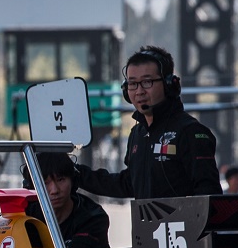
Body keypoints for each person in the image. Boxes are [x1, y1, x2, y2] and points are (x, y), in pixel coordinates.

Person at [75, 45, 220, 201]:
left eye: (147, 82)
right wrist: (74, 173)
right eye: (132, 84)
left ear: (170, 84)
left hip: (184, 225)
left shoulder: (191, 132)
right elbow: (128, 183)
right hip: (145, 226)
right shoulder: (137, 133)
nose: (139, 91)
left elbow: (209, 196)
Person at [22, 151, 109, 248]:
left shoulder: (92, 217)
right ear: (31, 187)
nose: (54, 190)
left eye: (60, 180)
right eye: (45, 183)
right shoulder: (23, 217)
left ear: (73, 181)